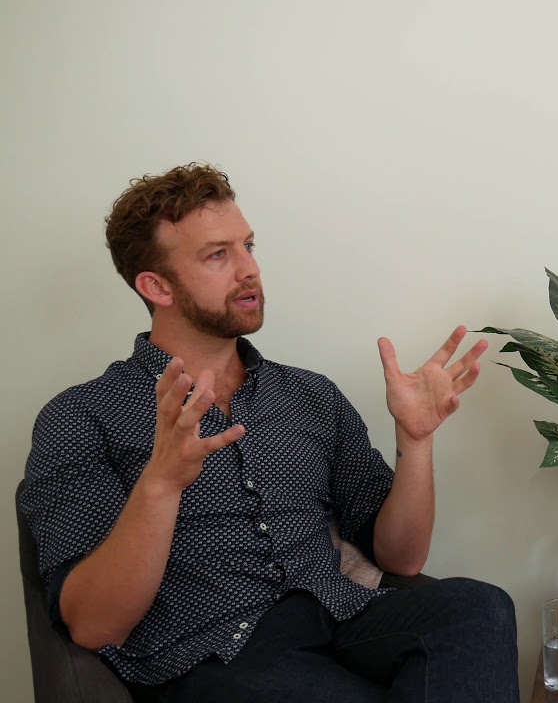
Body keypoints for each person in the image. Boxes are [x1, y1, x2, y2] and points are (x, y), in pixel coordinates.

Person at [21, 164, 520, 702]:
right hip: (214, 652)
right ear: (156, 286)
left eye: (249, 246)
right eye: (218, 255)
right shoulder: (81, 416)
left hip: (340, 616)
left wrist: (415, 442)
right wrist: (161, 484)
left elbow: (402, 559)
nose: (250, 270)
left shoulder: (309, 396)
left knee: (478, 608)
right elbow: (92, 624)